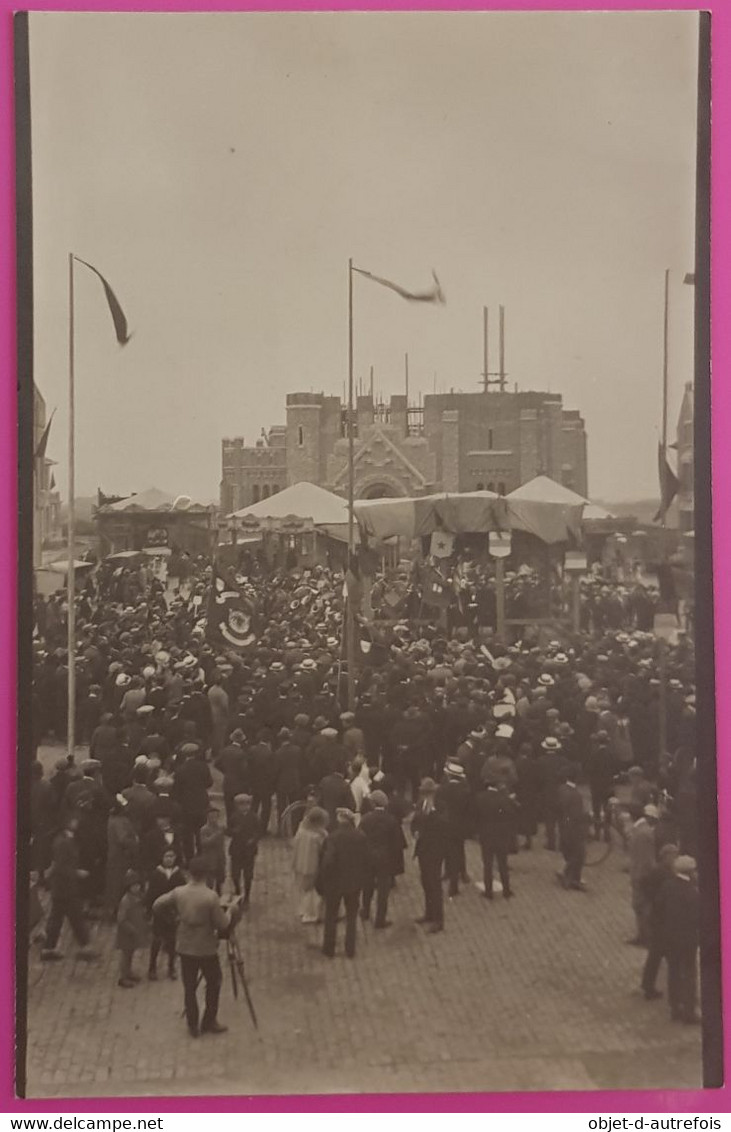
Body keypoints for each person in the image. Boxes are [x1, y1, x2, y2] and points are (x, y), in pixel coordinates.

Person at [152, 855, 236, 1038]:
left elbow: (157, 904)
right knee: (214, 982)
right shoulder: (210, 897)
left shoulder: (179, 892)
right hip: (205, 948)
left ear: (189, 873)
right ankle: (209, 1021)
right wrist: (230, 911)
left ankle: (192, 1025)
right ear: (205, 875)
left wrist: (173, 918)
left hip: (185, 947)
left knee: (189, 987)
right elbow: (222, 924)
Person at [41, 816, 98, 962]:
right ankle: (85, 947)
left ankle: (48, 948)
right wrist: (77, 873)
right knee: (75, 917)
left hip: (61, 887)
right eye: (73, 820)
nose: (76, 822)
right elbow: (61, 866)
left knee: (57, 918)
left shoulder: (65, 839)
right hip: (65, 887)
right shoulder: (63, 842)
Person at [318, 808, 369, 959]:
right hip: (354, 883)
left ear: (339, 820)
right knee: (352, 917)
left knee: (331, 915)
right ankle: (350, 949)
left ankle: (329, 948)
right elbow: (366, 859)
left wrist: (324, 878)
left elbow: (328, 861)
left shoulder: (333, 837)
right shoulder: (361, 836)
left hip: (335, 883)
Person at [656, 854, 700, 1024]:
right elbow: (697, 918)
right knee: (689, 974)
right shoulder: (693, 892)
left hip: (670, 938)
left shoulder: (667, 886)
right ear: (690, 872)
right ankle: (689, 1011)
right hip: (688, 940)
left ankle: (675, 1007)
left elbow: (658, 909)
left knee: (673, 972)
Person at [359, 789, 405, 928]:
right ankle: (380, 919)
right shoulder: (391, 820)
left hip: (368, 857)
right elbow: (398, 843)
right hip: (385, 858)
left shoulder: (366, 819)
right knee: (383, 890)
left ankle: (366, 911)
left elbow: (360, 838)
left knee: (367, 885)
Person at [640, 843, 679, 1001]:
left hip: (659, 919)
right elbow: (645, 885)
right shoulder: (663, 872)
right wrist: (655, 900)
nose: (675, 859)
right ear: (666, 856)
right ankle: (676, 992)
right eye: (674, 856)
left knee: (656, 955)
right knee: (665, 956)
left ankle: (648, 986)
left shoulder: (661, 870)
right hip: (661, 921)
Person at [411, 777, 449, 933]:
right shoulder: (420, 805)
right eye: (424, 793)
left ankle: (438, 920)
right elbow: (414, 823)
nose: (426, 796)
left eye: (429, 793)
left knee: (435, 884)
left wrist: (432, 813)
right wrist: (414, 832)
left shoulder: (441, 807)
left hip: (436, 850)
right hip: (423, 849)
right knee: (425, 882)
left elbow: (444, 824)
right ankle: (429, 913)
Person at [473, 783, 519, 900]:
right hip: (501, 835)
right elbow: (512, 814)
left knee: (487, 864)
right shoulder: (504, 798)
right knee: (502, 863)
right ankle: (506, 890)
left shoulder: (480, 797)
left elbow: (476, 816)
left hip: (486, 835)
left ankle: (488, 892)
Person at [146, 848, 186, 981]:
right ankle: (152, 967)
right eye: (166, 856)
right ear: (162, 858)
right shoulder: (156, 874)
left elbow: (183, 894)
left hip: (173, 913)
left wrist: (180, 912)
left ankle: (171, 967)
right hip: (159, 912)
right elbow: (151, 894)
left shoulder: (178, 875)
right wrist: (149, 911)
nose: (169, 859)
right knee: (156, 940)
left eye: (171, 856)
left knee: (172, 941)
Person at [627, 803, 660, 946]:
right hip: (642, 874)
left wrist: (638, 877)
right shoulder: (644, 831)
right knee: (641, 906)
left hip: (640, 875)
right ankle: (644, 936)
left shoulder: (640, 832)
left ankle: (645, 937)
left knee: (641, 906)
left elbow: (644, 859)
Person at [291, 805, 329, 924]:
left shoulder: (301, 830)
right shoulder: (319, 836)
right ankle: (311, 914)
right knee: (313, 891)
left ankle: (302, 910)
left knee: (303, 888)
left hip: (300, 863)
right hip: (313, 865)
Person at [105, 795, 140, 916]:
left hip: (115, 856)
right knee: (119, 884)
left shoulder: (112, 819)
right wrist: (135, 841)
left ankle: (114, 909)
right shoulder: (120, 821)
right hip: (121, 857)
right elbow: (123, 839)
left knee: (114, 884)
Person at [557, 764, 589, 892]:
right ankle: (571, 879)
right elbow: (577, 815)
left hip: (564, 825)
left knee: (570, 853)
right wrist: (587, 817)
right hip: (574, 829)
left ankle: (569, 876)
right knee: (579, 854)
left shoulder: (561, 789)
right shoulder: (576, 795)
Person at [115, 870, 150, 988]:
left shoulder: (138, 897)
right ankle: (123, 977)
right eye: (133, 886)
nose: (136, 888)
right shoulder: (126, 900)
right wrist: (131, 929)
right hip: (127, 933)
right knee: (126, 954)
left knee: (131, 953)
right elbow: (121, 918)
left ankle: (128, 972)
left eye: (137, 885)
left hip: (135, 931)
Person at [228, 794, 262, 905]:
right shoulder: (233, 817)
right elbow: (230, 831)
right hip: (236, 850)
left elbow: (258, 832)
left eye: (247, 804)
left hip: (249, 851)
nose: (244, 806)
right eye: (241, 804)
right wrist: (234, 831)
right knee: (235, 874)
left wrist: (253, 840)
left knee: (248, 875)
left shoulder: (254, 817)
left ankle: (247, 895)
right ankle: (238, 891)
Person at [199, 807, 226, 895]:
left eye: (216, 817)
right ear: (208, 818)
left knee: (220, 880)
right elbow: (204, 843)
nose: (214, 819)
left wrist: (223, 857)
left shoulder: (220, 828)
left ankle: (218, 896)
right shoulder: (204, 829)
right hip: (209, 859)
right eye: (212, 817)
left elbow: (222, 844)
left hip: (219, 858)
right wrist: (216, 835)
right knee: (209, 881)